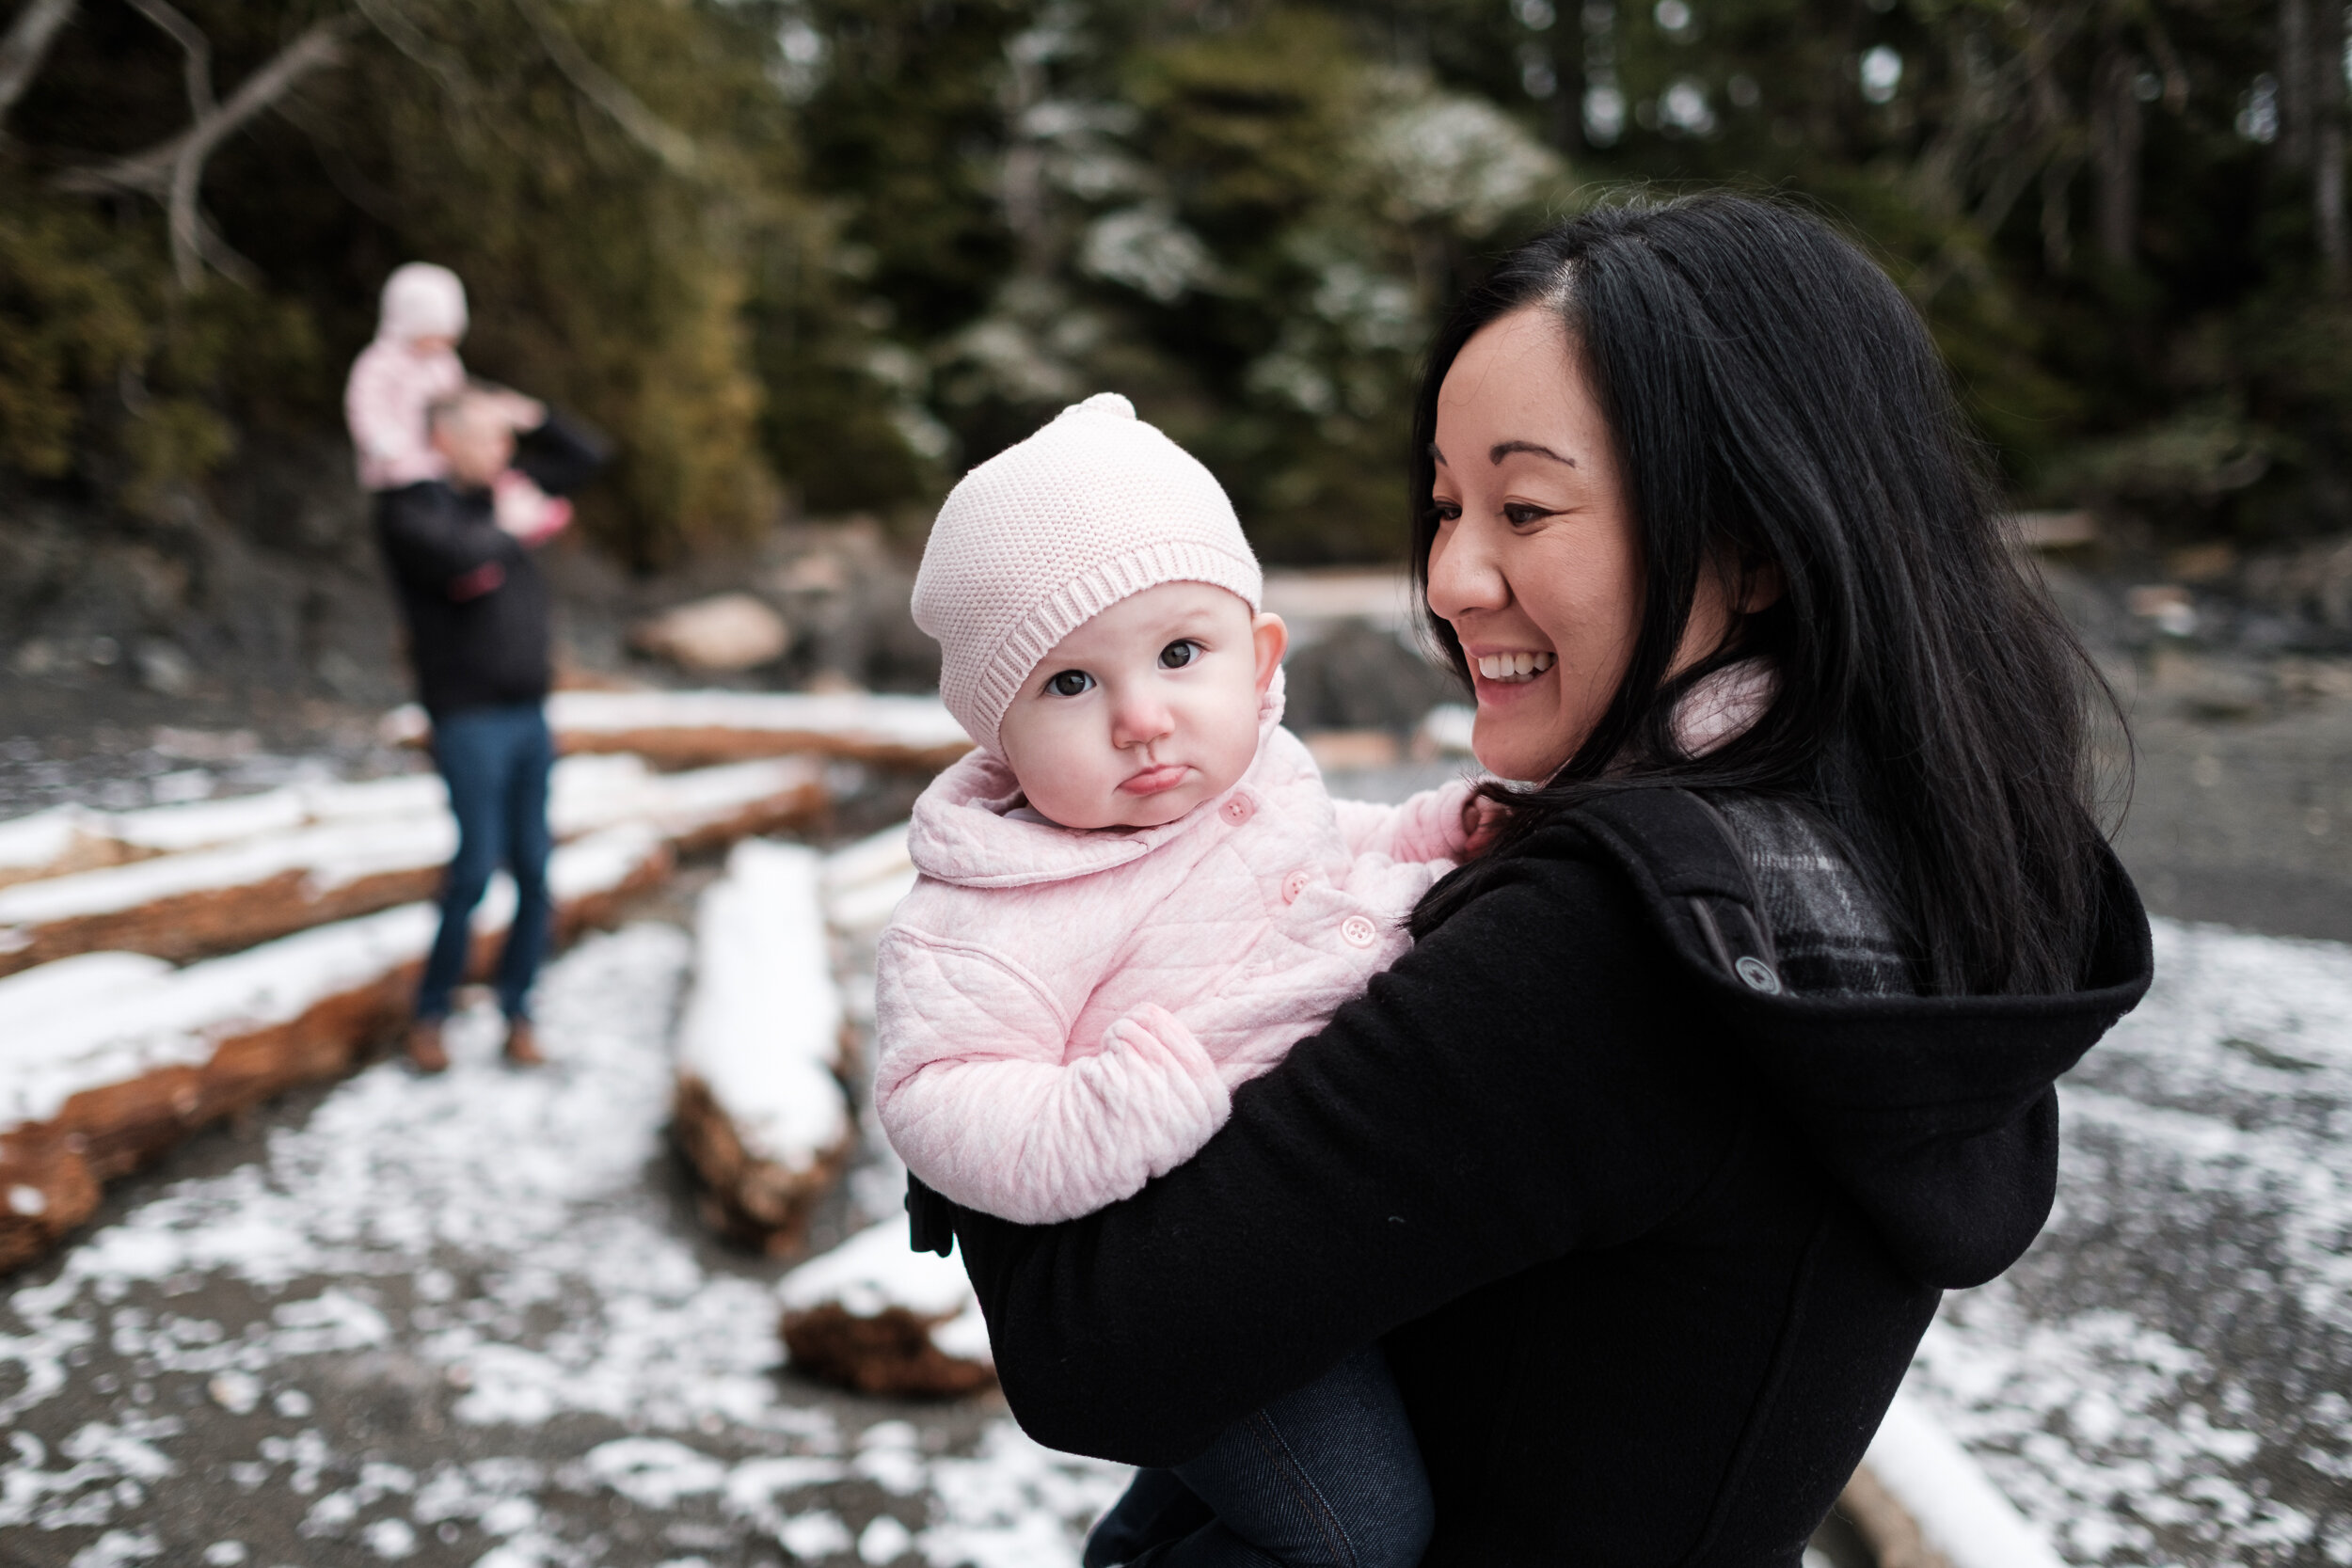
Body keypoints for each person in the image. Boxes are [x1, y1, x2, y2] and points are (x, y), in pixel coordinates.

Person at [922, 194, 2156, 1565]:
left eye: (1523, 505)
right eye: (1446, 504)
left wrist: (1011, 980)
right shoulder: (1906, 863)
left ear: (1752, 544)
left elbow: (1099, 1351)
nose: (1448, 575)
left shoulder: (1617, 945)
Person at [876, 392, 1507, 1568]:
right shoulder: (987, 907)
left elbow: (1322, 855)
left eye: (1179, 654)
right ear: (995, 735)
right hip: (1177, 1266)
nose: (1142, 719)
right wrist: (1112, 1110)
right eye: (1069, 684)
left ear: (1259, 658)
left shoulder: (1257, 775)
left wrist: (1430, 830)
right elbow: (936, 1089)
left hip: (1304, 1223)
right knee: (1359, 1536)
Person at [373, 387, 600, 1073]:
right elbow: (460, 559)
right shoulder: (410, 507)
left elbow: (588, 458)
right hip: (466, 716)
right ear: (444, 438)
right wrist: (510, 519)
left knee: (534, 868)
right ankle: (431, 1013)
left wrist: (531, 412)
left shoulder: (501, 492)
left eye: (508, 441)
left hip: (530, 713)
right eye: (489, 437)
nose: (505, 452)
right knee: (475, 867)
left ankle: (517, 1011)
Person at [344, 261, 568, 537]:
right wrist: (381, 441)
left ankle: (525, 512)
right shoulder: (380, 362)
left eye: (447, 338)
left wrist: (487, 416)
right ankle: (503, 524)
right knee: (430, 506)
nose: (441, 345)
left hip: (438, 457)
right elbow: (364, 405)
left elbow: (458, 397)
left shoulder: (443, 362)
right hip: (395, 463)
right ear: (408, 324)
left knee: (470, 487)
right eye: (434, 335)